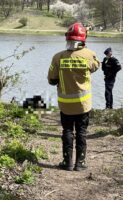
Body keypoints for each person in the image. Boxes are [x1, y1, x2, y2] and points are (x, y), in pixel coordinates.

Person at [47, 22, 100, 171]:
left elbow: (51, 80)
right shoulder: (89, 54)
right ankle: (80, 163)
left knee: (67, 131)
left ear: (67, 39)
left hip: (65, 105)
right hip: (83, 104)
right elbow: (96, 66)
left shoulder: (57, 57)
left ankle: (67, 162)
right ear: (83, 40)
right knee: (82, 132)